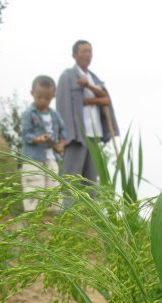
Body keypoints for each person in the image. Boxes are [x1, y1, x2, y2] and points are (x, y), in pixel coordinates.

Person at [56, 39, 118, 193]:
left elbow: (105, 98)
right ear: (74, 55)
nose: (88, 55)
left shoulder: (94, 78)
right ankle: (68, 213)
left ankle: (91, 215)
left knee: (91, 180)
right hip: (77, 135)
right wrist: (64, 134)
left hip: (94, 134)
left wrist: (89, 87)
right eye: (84, 51)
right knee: (71, 177)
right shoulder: (68, 76)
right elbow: (64, 104)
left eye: (90, 51)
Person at [20, 75, 66, 213]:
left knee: (53, 186)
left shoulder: (55, 115)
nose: (43, 101)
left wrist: (61, 145)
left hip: (51, 157)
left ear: (53, 96)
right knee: (34, 186)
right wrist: (38, 139)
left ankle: (51, 218)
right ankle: (33, 218)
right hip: (33, 158)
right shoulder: (28, 113)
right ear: (32, 93)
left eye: (47, 98)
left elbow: (63, 132)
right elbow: (26, 134)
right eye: (39, 97)